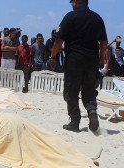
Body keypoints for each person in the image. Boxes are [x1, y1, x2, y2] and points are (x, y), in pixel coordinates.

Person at [51, 0, 108, 132]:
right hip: (91, 61)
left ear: (76, 2)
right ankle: (92, 111)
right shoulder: (97, 18)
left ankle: (75, 121)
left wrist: (53, 56)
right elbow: (103, 42)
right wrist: (101, 59)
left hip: (73, 60)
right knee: (89, 89)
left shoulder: (69, 17)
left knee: (71, 91)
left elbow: (59, 40)